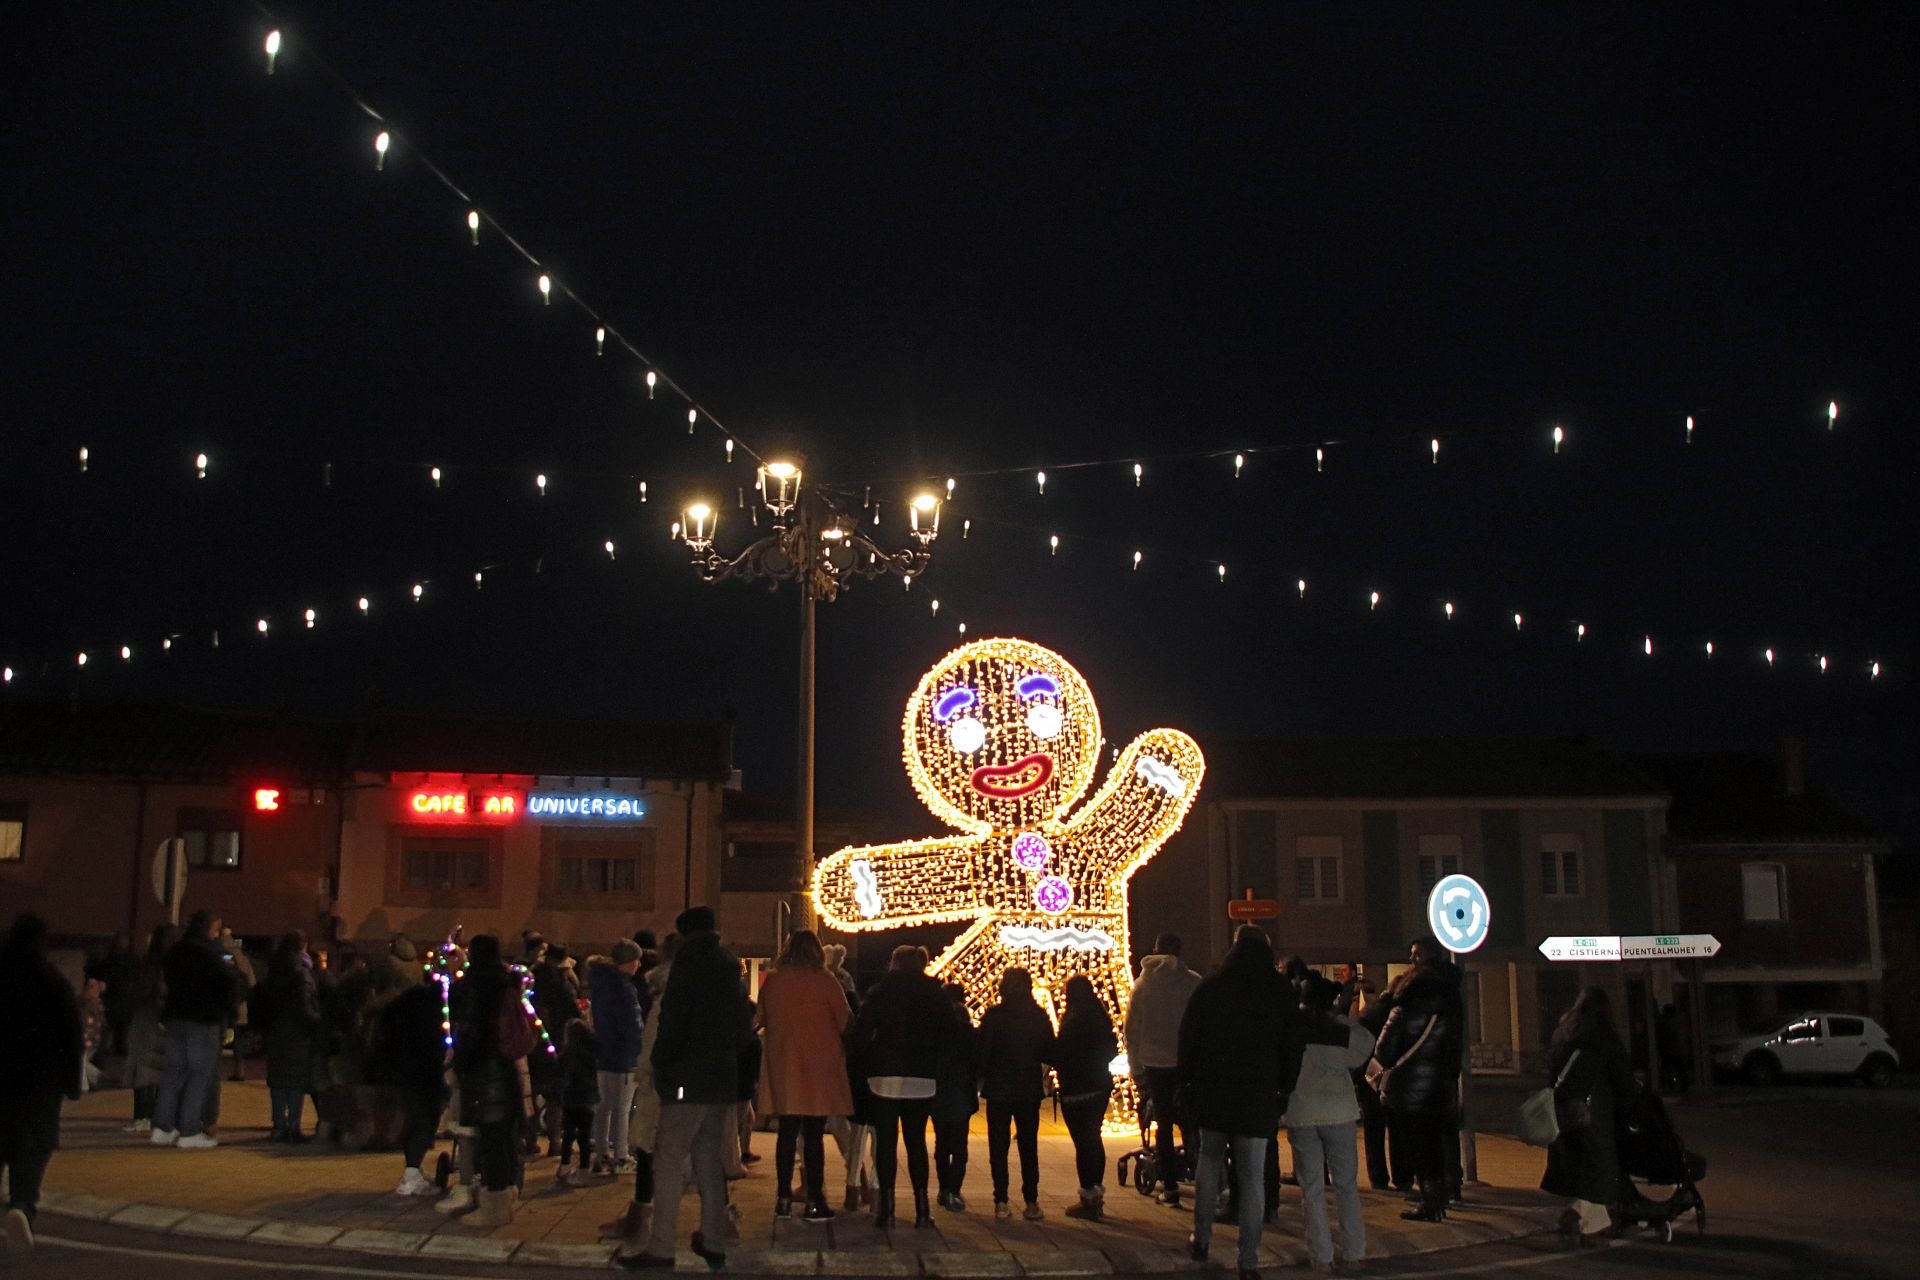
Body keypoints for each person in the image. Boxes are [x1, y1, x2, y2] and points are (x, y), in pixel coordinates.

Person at [618, 906, 753, 1272]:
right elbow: (745, 1025)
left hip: (685, 1077)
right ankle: (713, 1240)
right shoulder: (730, 968)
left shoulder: (687, 967)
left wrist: (663, 1066)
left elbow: (673, 1023)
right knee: (709, 1160)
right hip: (721, 1078)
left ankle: (661, 1246)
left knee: (669, 1159)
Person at [1178, 925, 1307, 1280]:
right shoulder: (1278, 990)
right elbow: (1293, 1045)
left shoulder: (1212, 985)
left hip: (1214, 1091)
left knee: (1209, 1161)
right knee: (1251, 1179)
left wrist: (1187, 1083)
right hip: (1258, 1095)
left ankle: (1201, 1238)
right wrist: (1283, 1089)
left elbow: (1189, 1036)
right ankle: (1247, 1260)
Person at [848, 944, 958, 1229]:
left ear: (894, 963)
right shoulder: (935, 992)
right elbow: (951, 1033)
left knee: (886, 1141)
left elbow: (861, 1033)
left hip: (884, 1075)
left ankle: (887, 1208)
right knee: (916, 1141)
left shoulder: (880, 991)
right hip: (922, 1077)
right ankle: (922, 1208)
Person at [0, 914, 83, 1264]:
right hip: (40, 1081)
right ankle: (22, 1206)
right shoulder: (54, 983)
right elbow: (71, 1036)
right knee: (32, 1148)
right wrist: (71, 1082)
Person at [756, 929, 853, 1222]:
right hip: (819, 1065)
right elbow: (845, 1020)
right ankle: (815, 1199)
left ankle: (783, 1197)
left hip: (784, 1064)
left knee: (786, 1133)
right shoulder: (826, 981)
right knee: (813, 1135)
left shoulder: (774, 981)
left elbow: (761, 1018)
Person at [1285, 974, 1376, 1275]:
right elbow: (1366, 1046)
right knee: (1346, 1186)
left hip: (1302, 1111)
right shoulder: (1341, 1031)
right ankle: (1355, 1253)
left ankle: (1321, 1257)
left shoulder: (1291, 1029)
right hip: (1339, 1111)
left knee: (1311, 1189)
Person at [1373, 937, 1463, 1223]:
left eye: (1417, 954)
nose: (1412, 959)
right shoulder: (1451, 1000)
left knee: (1418, 1146)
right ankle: (1439, 1199)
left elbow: (1384, 1049)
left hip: (1410, 1085)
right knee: (1437, 1143)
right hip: (1441, 1083)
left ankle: (1428, 1201)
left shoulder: (1407, 1002)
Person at [451, 934, 534, 1227]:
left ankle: (494, 1206)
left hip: (484, 1070)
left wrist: (459, 1063)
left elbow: (470, 1030)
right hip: (507, 1067)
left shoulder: (472, 985)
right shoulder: (509, 981)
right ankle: (508, 1192)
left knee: (491, 1139)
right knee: (507, 1135)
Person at [1542, 987, 1635, 1245]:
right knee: (1600, 1171)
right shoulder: (1604, 1037)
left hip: (1564, 1112)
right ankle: (1577, 1217)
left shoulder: (1565, 1033)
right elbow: (1622, 1080)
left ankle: (1584, 1223)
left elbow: (1552, 1070)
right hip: (1594, 1115)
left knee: (1579, 1170)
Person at [151, 909, 240, 1149]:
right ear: (210, 928)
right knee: (198, 1075)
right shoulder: (211, 953)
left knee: (172, 1074)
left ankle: (162, 1127)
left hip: (176, 1017)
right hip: (203, 1019)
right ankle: (189, 1130)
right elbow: (231, 980)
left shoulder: (176, 952)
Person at [1125, 932, 1201, 1207]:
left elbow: (1132, 1029)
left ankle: (1169, 1187)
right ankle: (1205, 1178)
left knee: (1164, 1125)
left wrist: (1135, 1066)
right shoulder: (1193, 983)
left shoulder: (1143, 985)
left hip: (1155, 1063)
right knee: (1193, 1122)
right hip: (1187, 1062)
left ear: (1155, 950)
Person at [976, 966, 1054, 1221]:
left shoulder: (994, 1015)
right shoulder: (1038, 1015)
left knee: (998, 1147)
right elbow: (1049, 1051)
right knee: (1028, 1146)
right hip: (1028, 1089)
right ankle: (1031, 1201)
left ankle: (1001, 1200)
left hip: (998, 1088)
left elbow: (983, 1052)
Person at [367, 958, 447, 1197]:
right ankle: (411, 1175)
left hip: (403, 1067)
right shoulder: (440, 1003)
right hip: (425, 1068)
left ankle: (413, 1170)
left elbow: (385, 1021)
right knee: (425, 1120)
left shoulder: (408, 998)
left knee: (415, 1118)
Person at [1055, 974, 1119, 1221]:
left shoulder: (1071, 1021)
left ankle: (1088, 1198)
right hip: (1098, 1086)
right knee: (1093, 1137)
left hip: (1075, 1090)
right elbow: (1111, 1049)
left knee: (1082, 1142)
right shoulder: (1100, 1018)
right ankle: (1096, 1194)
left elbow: (1061, 1054)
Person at [256, 931, 322, 1142]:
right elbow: (304, 1008)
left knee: (277, 1081)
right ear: (302, 947)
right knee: (295, 1083)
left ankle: (278, 1125)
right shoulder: (301, 973)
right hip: (296, 1034)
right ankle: (293, 1126)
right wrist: (317, 1021)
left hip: (276, 1032)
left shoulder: (274, 971)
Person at [590, 940, 646, 1175]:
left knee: (603, 1106)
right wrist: (638, 1051)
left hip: (604, 1051)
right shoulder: (624, 988)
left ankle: (601, 1149)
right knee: (622, 1108)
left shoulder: (601, 983)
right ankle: (621, 1154)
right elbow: (632, 1025)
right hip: (622, 1054)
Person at [123, 923, 173, 1134]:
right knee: (158, 1071)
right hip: (160, 1020)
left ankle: (142, 1115)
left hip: (144, 1019)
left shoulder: (146, 963)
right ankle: (154, 1115)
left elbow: (138, 990)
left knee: (143, 1071)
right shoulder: (169, 964)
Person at [932, 983, 978, 1212]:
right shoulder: (969, 1034)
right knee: (959, 1146)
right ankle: (954, 1189)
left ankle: (944, 1188)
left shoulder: (936, 1031)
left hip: (939, 1095)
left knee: (942, 1144)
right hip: (962, 1095)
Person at [556, 1018, 601, 1186]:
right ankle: (583, 1170)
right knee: (584, 1137)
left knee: (568, 1135)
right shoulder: (591, 1055)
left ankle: (565, 1166)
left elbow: (562, 1076)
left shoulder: (567, 1055)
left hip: (570, 1101)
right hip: (586, 1101)